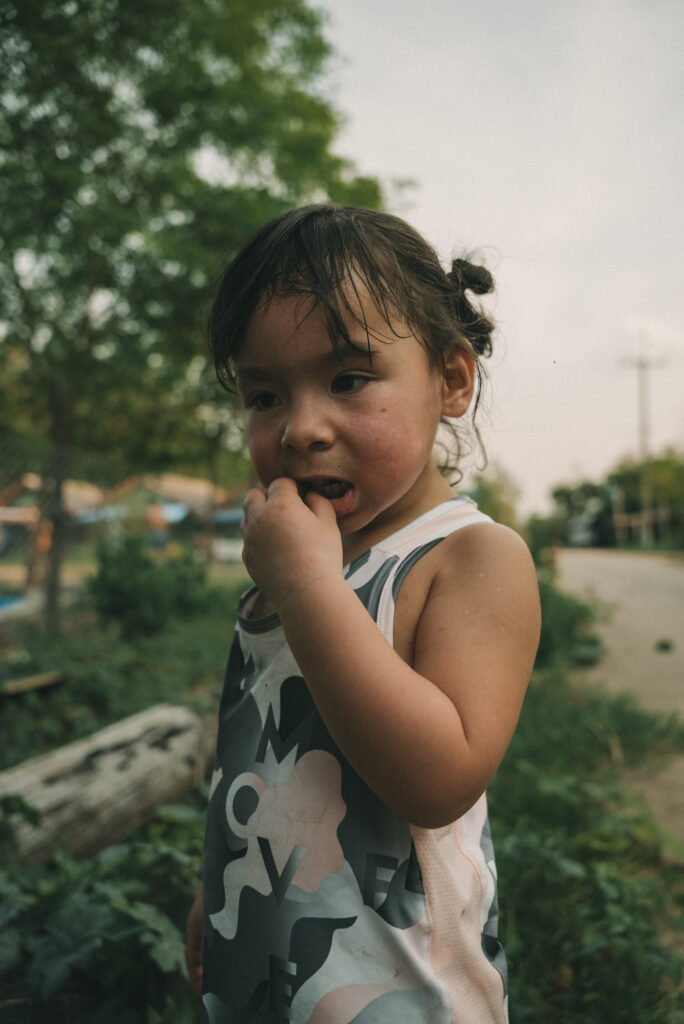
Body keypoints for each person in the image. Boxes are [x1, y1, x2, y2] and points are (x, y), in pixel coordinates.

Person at [186, 205, 540, 1023]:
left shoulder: (469, 557)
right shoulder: (307, 553)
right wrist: (226, 892)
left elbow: (438, 779)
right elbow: (264, 756)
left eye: (348, 380)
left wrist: (310, 589)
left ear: (451, 381)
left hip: (403, 997)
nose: (302, 429)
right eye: (265, 395)